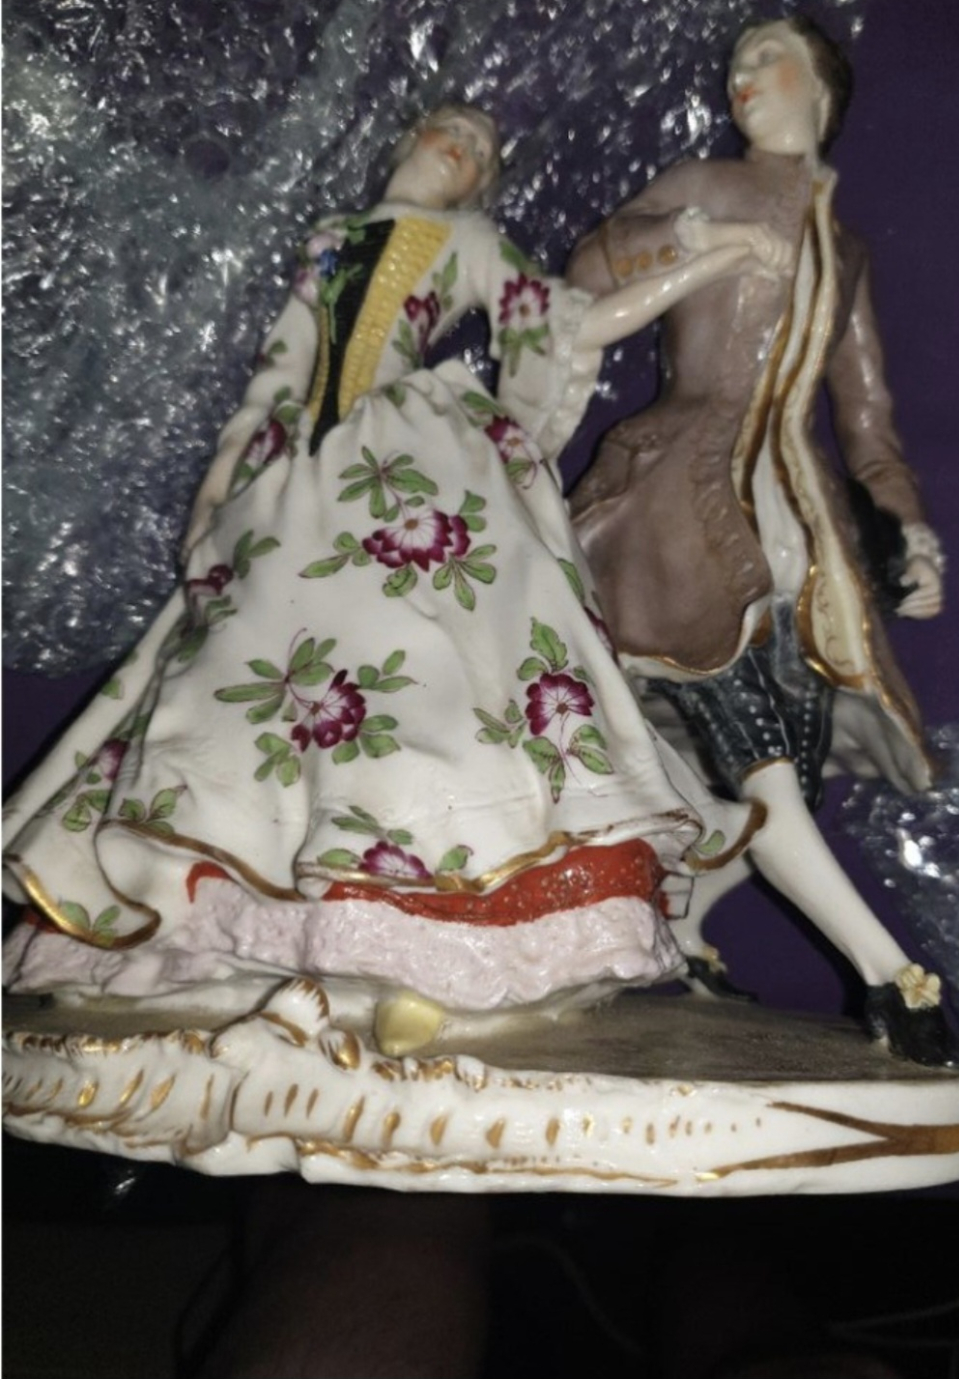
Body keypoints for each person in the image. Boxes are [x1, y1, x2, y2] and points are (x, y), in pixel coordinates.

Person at [3, 105, 769, 1056]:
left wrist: (715, 255)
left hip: (402, 458)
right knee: (255, 676)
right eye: (453, 130)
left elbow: (570, 321)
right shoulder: (332, 240)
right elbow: (279, 373)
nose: (463, 148)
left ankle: (424, 946)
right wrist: (219, 488)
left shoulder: (469, 242)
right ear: (409, 137)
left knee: (407, 670)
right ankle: (230, 938)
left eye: (482, 149)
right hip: (295, 475)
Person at [568, 20, 959, 1068]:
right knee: (768, 777)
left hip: (795, 525)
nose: (741, 74)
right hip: (675, 504)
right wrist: (694, 237)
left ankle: (682, 922)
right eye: (736, 60)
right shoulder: (703, 182)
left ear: (821, 90)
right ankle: (894, 979)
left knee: (784, 776)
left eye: (766, 56)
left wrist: (906, 527)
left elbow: (866, 417)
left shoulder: (847, 247)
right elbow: (591, 263)